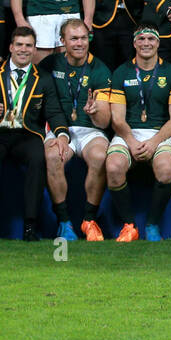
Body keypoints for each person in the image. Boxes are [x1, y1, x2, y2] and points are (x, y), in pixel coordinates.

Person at [0, 27, 64, 240]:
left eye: (28, 45)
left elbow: (54, 111)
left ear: (34, 49)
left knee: (37, 159)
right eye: (19, 45)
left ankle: (30, 226)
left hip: (27, 133)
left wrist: (61, 136)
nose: (23, 50)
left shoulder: (43, 77)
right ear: (11, 47)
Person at [102, 25, 171, 241]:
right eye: (141, 39)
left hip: (160, 133)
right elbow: (117, 119)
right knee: (113, 167)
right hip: (128, 132)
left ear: (158, 43)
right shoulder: (122, 72)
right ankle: (129, 225)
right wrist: (131, 141)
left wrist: (153, 142)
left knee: (167, 169)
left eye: (151, 39)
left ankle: (152, 224)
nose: (146, 43)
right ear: (134, 43)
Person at [40, 19, 113, 241]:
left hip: (90, 130)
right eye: (74, 39)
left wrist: (95, 111)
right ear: (62, 41)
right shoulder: (49, 65)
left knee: (100, 156)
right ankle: (64, 222)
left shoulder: (100, 69)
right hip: (58, 128)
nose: (80, 43)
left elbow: (104, 122)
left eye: (83, 38)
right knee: (53, 156)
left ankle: (89, 221)